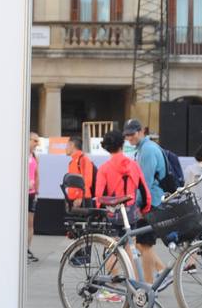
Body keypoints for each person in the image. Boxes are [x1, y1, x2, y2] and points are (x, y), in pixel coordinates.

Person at [95, 128, 159, 280]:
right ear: (122, 145)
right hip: (130, 212)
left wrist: (100, 211)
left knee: (112, 248)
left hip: (112, 212)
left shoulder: (104, 168)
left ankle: (109, 283)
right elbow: (144, 191)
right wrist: (145, 208)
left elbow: (99, 196)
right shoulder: (133, 165)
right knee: (130, 246)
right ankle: (133, 282)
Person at [123, 118, 166, 211]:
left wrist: (136, 205)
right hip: (154, 201)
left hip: (154, 203)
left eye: (132, 134)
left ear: (141, 131)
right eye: (127, 135)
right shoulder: (146, 147)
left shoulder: (147, 150)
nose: (129, 138)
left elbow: (145, 183)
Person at [64, 135, 96, 208]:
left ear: (72, 145)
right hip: (73, 200)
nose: (65, 148)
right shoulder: (72, 162)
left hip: (82, 200)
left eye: (67, 145)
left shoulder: (83, 159)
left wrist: (81, 198)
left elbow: (87, 181)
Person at [27, 132, 40, 263]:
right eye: (35, 141)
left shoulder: (35, 156)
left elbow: (36, 174)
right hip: (22, 193)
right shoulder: (21, 154)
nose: (37, 144)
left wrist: (37, 190)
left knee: (30, 223)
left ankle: (27, 248)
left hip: (31, 193)